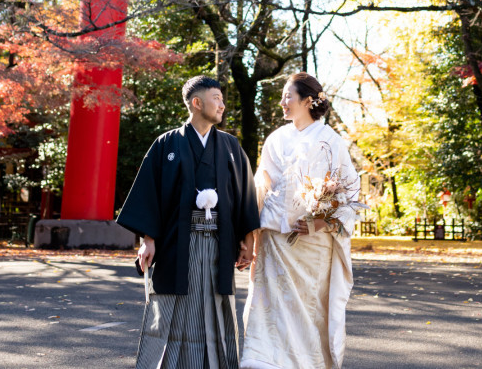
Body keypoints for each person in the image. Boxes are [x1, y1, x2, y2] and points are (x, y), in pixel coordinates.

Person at [117, 75, 260, 369]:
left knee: (216, 309)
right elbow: (149, 194)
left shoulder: (231, 147)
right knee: (171, 308)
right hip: (177, 243)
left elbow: (246, 193)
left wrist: (248, 239)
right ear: (197, 103)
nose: (222, 104)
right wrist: (148, 240)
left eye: (222, 99)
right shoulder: (165, 144)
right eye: (216, 98)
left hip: (220, 243)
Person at [241, 72, 359, 369]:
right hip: (274, 242)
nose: (282, 102)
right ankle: (263, 363)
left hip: (313, 246)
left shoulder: (330, 141)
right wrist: (248, 238)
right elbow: (260, 187)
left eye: (287, 96)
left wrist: (319, 222)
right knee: (269, 310)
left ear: (307, 101)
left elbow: (350, 193)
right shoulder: (276, 138)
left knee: (308, 311)